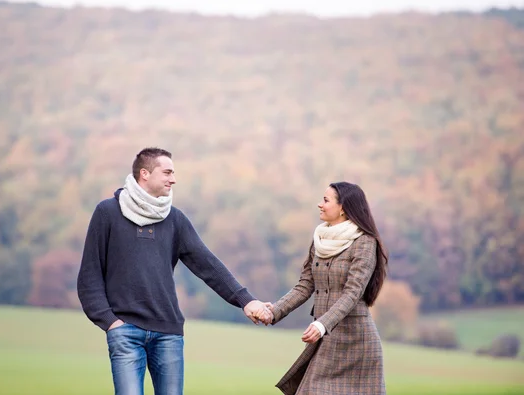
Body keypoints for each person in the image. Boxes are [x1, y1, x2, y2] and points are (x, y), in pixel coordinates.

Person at [77, 147, 272, 395]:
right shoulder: (107, 213)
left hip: (168, 334)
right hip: (124, 332)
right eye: (167, 172)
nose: (174, 179)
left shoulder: (174, 219)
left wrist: (246, 301)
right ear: (145, 174)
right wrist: (110, 322)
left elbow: (208, 265)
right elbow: (89, 277)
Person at [257, 182, 388, 395]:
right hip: (325, 342)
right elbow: (305, 285)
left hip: (356, 345)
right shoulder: (320, 239)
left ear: (343, 207)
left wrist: (321, 325)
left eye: (326, 200)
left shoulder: (365, 242)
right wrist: (273, 312)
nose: (320, 204)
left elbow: (353, 293)